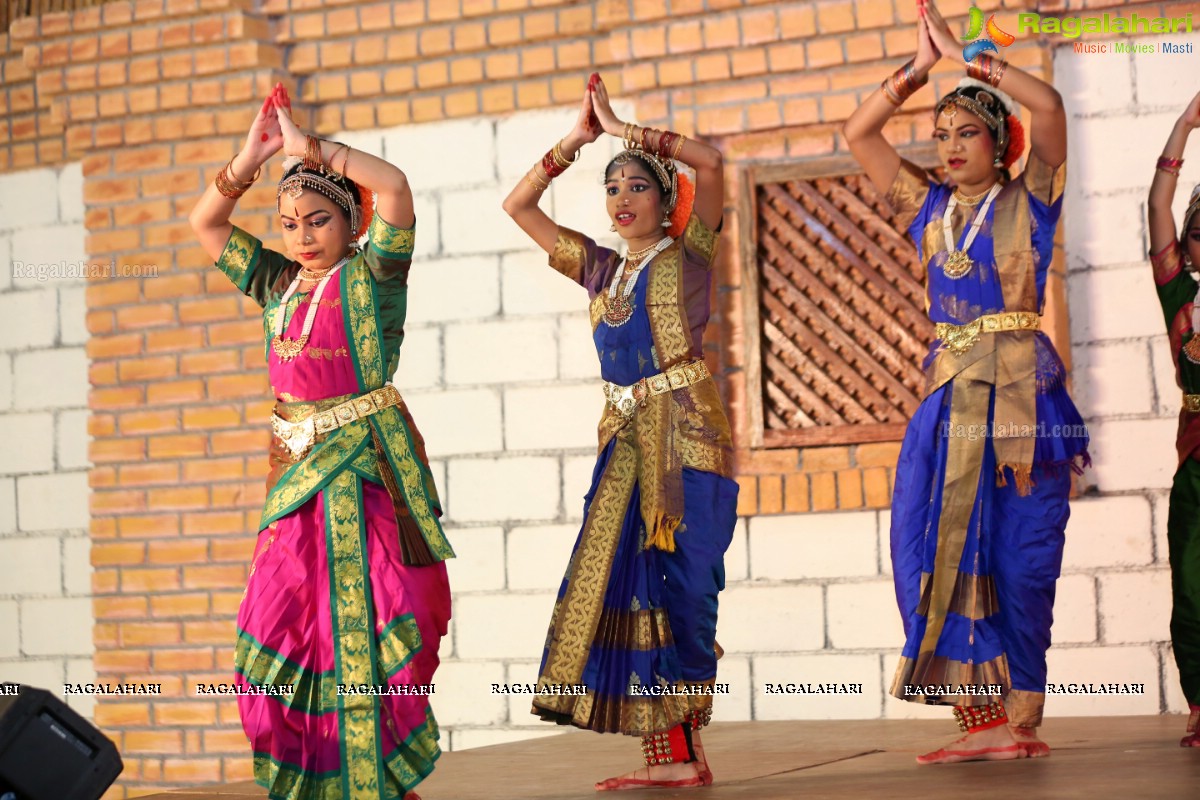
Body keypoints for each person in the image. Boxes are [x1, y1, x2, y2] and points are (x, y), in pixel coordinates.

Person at [188, 84, 453, 799]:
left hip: (365, 482)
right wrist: (250, 159)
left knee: (372, 628)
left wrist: (312, 150)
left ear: (349, 220)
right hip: (295, 489)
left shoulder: (374, 277)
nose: (301, 235)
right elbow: (206, 222)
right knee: (275, 638)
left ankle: (380, 781)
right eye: (289, 223)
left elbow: (395, 188)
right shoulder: (278, 285)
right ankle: (321, 779)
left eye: (317, 220)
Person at [843, 0, 1088, 764]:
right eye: (940, 134)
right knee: (928, 548)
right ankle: (976, 721)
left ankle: (1020, 713)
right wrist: (916, 73)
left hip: (1022, 399)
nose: (947, 146)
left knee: (1022, 554)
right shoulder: (928, 208)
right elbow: (858, 135)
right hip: (949, 406)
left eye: (966, 132)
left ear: (1000, 141)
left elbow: (1048, 105)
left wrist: (967, 58)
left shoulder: (1032, 199)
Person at [501, 73, 737, 790]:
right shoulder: (601, 269)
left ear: (668, 201)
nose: (623, 199)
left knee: (690, 590)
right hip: (624, 445)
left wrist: (628, 129)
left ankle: (688, 735)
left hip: (690, 440)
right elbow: (518, 205)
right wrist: (576, 140)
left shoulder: (691, 254)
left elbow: (716, 164)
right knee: (630, 589)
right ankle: (670, 757)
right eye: (612, 189)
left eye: (637, 186)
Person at [1146, 90, 1200, 749]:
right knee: (1191, 586)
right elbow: (1157, 205)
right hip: (1195, 462)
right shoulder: (1180, 296)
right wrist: (1184, 125)